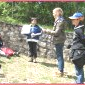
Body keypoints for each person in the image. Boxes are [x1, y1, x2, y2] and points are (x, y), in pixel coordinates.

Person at [43, 7, 67, 76]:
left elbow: (56, 33)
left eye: (54, 12)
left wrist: (46, 31)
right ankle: (60, 70)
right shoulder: (58, 20)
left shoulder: (60, 21)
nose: (53, 14)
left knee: (59, 56)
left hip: (59, 40)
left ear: (58, 13)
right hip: (58, 40)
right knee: (59, 55)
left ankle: (60, 71)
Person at [68, 12, 85, 84]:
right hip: (77, 49)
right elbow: (78, 39)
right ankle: (80, 81)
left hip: (79, 50)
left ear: (78, 19)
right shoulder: (77, 28)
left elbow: (83, 38)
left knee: (78, 66)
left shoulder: (79, 29)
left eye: (73, 19)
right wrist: (71, 44)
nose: (72, 20)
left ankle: (79, 82)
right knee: (78, 66)